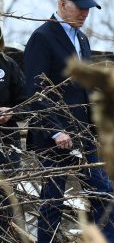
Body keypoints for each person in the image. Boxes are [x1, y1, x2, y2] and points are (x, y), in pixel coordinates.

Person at [23, 0, 114, 242]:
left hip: (84, 134)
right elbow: (36, 90)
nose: (86, 13)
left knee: (102, 192)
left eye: (89, 8)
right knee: (53, 200)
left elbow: (85, 89)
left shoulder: (82, 40)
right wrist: (56, 131)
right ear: (63, 4)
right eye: (81, 7)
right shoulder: (42, 38)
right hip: (55, 136)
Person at [0, 25, 27, 241]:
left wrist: (13, 111)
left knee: (8, 199)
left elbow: (26, 103)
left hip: (7, 143)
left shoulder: (8, 65)